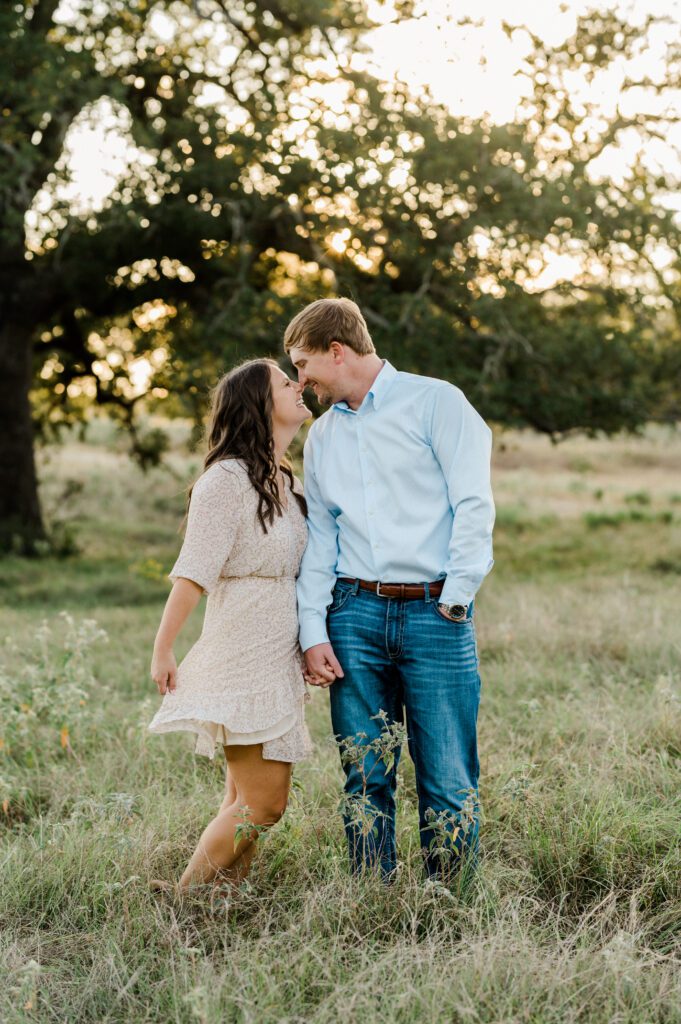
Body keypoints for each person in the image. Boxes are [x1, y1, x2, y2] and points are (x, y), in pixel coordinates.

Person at [284, 298, 494, 880]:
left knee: (448, 773)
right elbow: (320, 537)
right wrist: (313, 630)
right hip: (353, 614)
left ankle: (448, 903)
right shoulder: (323, 436)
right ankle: (373, 899)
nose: (300, 382)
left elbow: (473, 503)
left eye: (304, 365)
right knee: (364, 772)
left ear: (337, 351)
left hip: (437, 612)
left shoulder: (437, 402)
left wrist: (456, 596)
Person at [148, 358, 312, 891]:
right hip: (243, 648)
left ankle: (220, 906)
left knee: (243, 800)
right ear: (259, 405)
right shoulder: (226, 480)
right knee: (265, 804)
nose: (300, 385)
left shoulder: (283, 477)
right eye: (287, 382)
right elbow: (193, 572)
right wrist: (163, 649)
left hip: (276, 649)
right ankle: (182, 898)